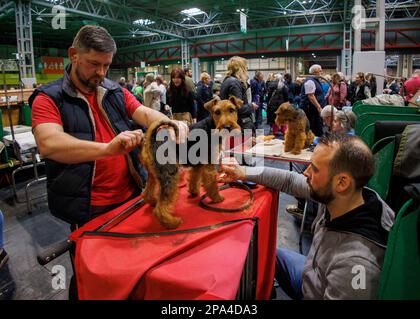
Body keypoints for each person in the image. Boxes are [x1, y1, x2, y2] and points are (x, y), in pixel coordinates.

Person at [29, 25, 188, 226]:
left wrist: (168, 122)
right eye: (94, 64)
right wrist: (106, 149)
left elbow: (144, 113)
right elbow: (49, 143)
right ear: (74, 55)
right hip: (89, 207)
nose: (101, 73)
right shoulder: (48, 98)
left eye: (107, 65)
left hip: (130, 194)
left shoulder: (115, 91)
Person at [221, 134, 395, 299]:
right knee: (263, 252)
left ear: (342, 182)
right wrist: (243, 171)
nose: (306, 173)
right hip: (313, 274)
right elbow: (290, 180)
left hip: (312, 290)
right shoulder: (347, 197)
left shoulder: (355, 264)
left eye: (315, 169)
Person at [219, 56, 255, 133]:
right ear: (240, 69)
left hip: (232, 123)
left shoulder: (227, 81)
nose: (246, 70)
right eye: (245, 67)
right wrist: (251, 106)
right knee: (245, 144)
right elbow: (237, 108)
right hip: (240, 124)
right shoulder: (234, 83)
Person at [299, 64, 326, 137]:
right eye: (320, 71)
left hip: (313, 109)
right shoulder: (310, 81)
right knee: (311, 127)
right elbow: (311, 96)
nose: (321, 72)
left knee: (316, 127)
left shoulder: (315, 80)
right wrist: (319, 107)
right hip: (310, 109)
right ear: (315, 71)